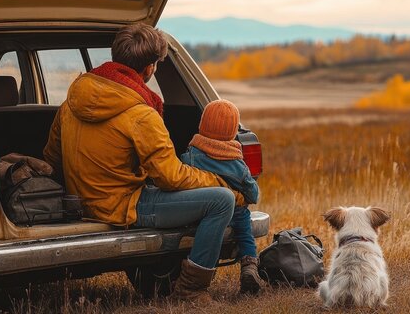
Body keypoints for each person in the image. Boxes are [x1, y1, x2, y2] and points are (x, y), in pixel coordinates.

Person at [43, 23, 240, 303]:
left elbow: (52, 157)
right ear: (149, 68)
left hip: (77, 202)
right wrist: (218, 181)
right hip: (122, 207)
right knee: (221, 200)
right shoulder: (141, 114)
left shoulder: (71, 101)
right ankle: (191, 290)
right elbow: (170, 177)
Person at [180, 99, 263, 294]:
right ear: (234, 132)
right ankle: (249, 267)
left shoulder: (192, 154)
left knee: (210, 236)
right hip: (235, 211)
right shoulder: (236, 164)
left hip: (202, 210)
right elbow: (253, 194)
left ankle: (206, 270)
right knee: (245, 234)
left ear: (202, 125)